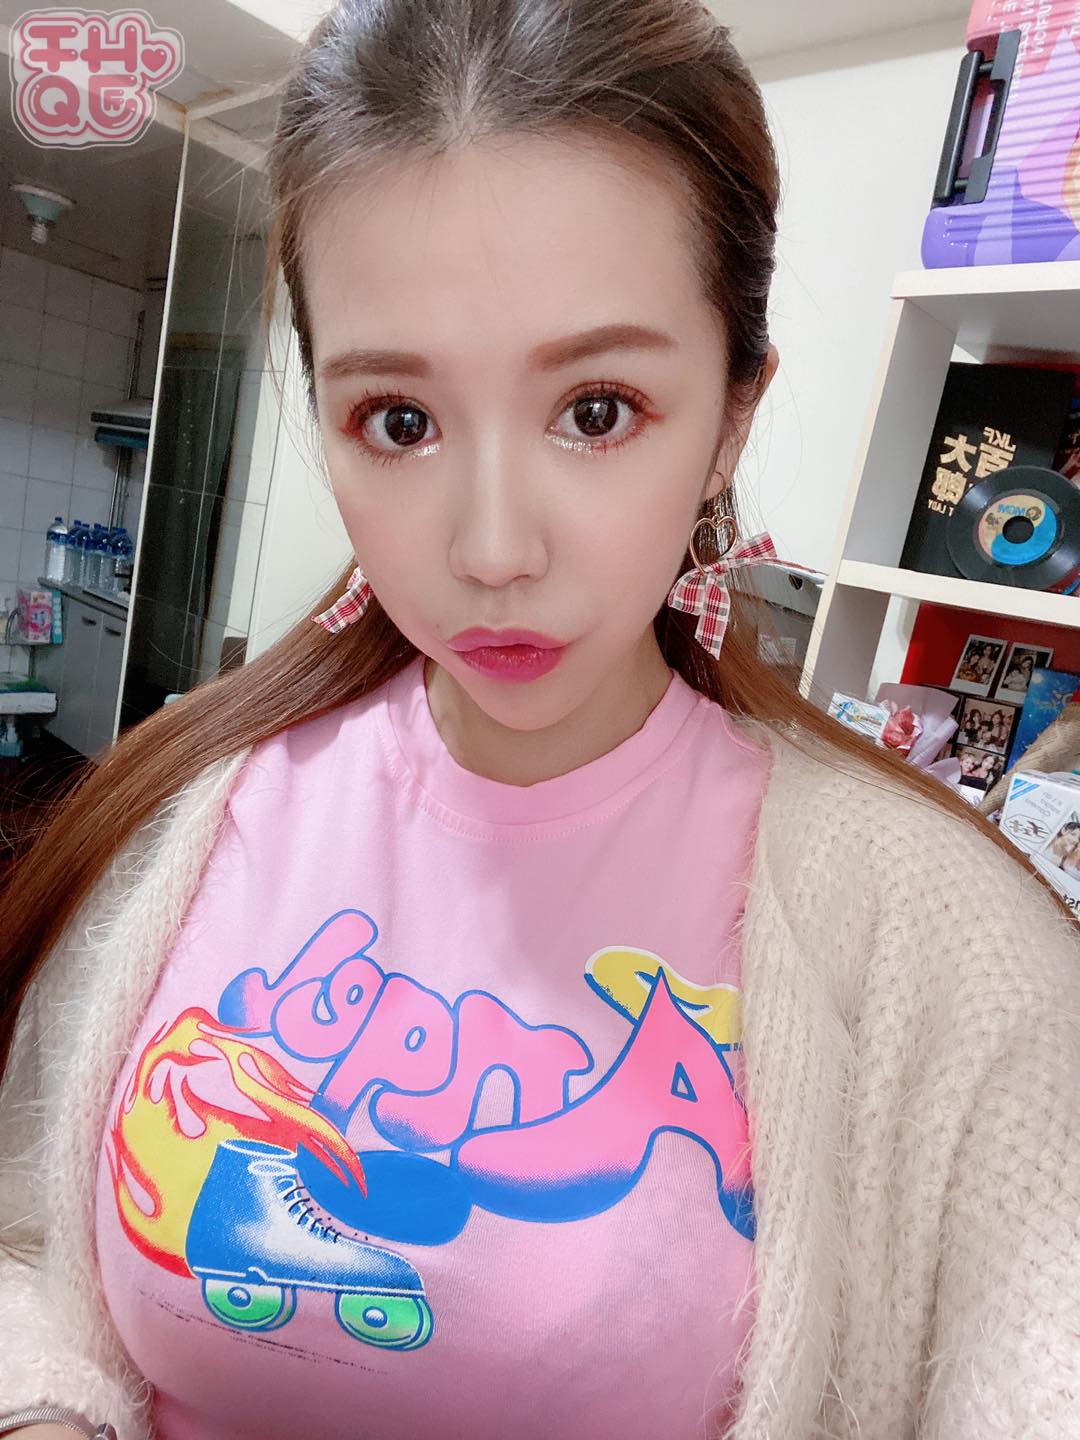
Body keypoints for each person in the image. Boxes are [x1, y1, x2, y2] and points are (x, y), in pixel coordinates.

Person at [1, 4, 1077, 1440]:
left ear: (733, 416)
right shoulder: (187, 806)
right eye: (399, 420)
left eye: (597, 409)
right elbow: (32, 1249)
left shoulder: (944, 948)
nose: (493, 550)